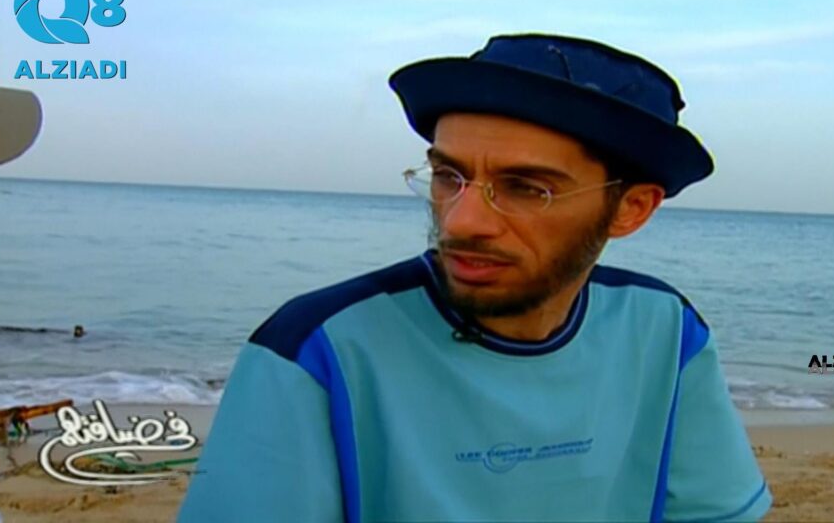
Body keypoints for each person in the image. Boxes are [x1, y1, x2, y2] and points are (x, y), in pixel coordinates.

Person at [179, 33, 772, 522]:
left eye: (526, 188)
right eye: (449, 177)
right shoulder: (317, 350)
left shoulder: (664, 332)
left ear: (631, 209)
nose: (462, 221)